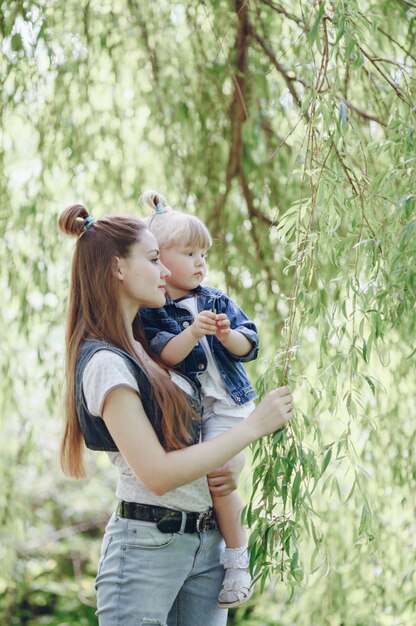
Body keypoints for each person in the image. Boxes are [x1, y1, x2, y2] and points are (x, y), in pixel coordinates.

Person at [59, 203, 293, 626]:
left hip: (207, 543)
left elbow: (199, 439)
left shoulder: (150, 349)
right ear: (116, 269)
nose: (166, 271)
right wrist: (252, 428)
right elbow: (158, 474)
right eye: (153, 260)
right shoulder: (107, 363)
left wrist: (229, 465)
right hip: (149, 546)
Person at [139, 189, 258, 608]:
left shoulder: (215, 299)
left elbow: (251, 343)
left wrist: (228, 335)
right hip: (197, 413)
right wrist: (191, 332)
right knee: (200, 474)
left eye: (203, 254)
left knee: (220, 475)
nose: (200, 263)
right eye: (189, 253)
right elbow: (165, 352)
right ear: (159, 260)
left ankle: (238, 561)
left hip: (230, 406)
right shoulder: (154, 310)